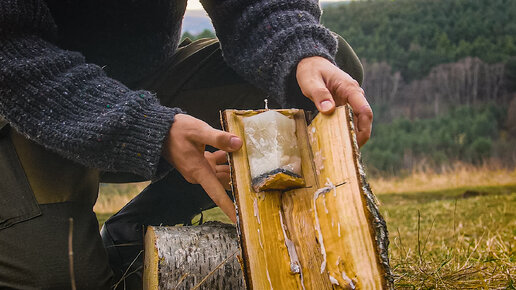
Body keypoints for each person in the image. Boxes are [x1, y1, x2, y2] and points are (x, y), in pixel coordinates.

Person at [0, 0, 372, 289]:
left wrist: (300, 51)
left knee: (317, 70)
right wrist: (147, 128)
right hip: (18, 105)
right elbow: (10, 50)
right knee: (59, 278)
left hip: (140, 85)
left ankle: (134, 231)